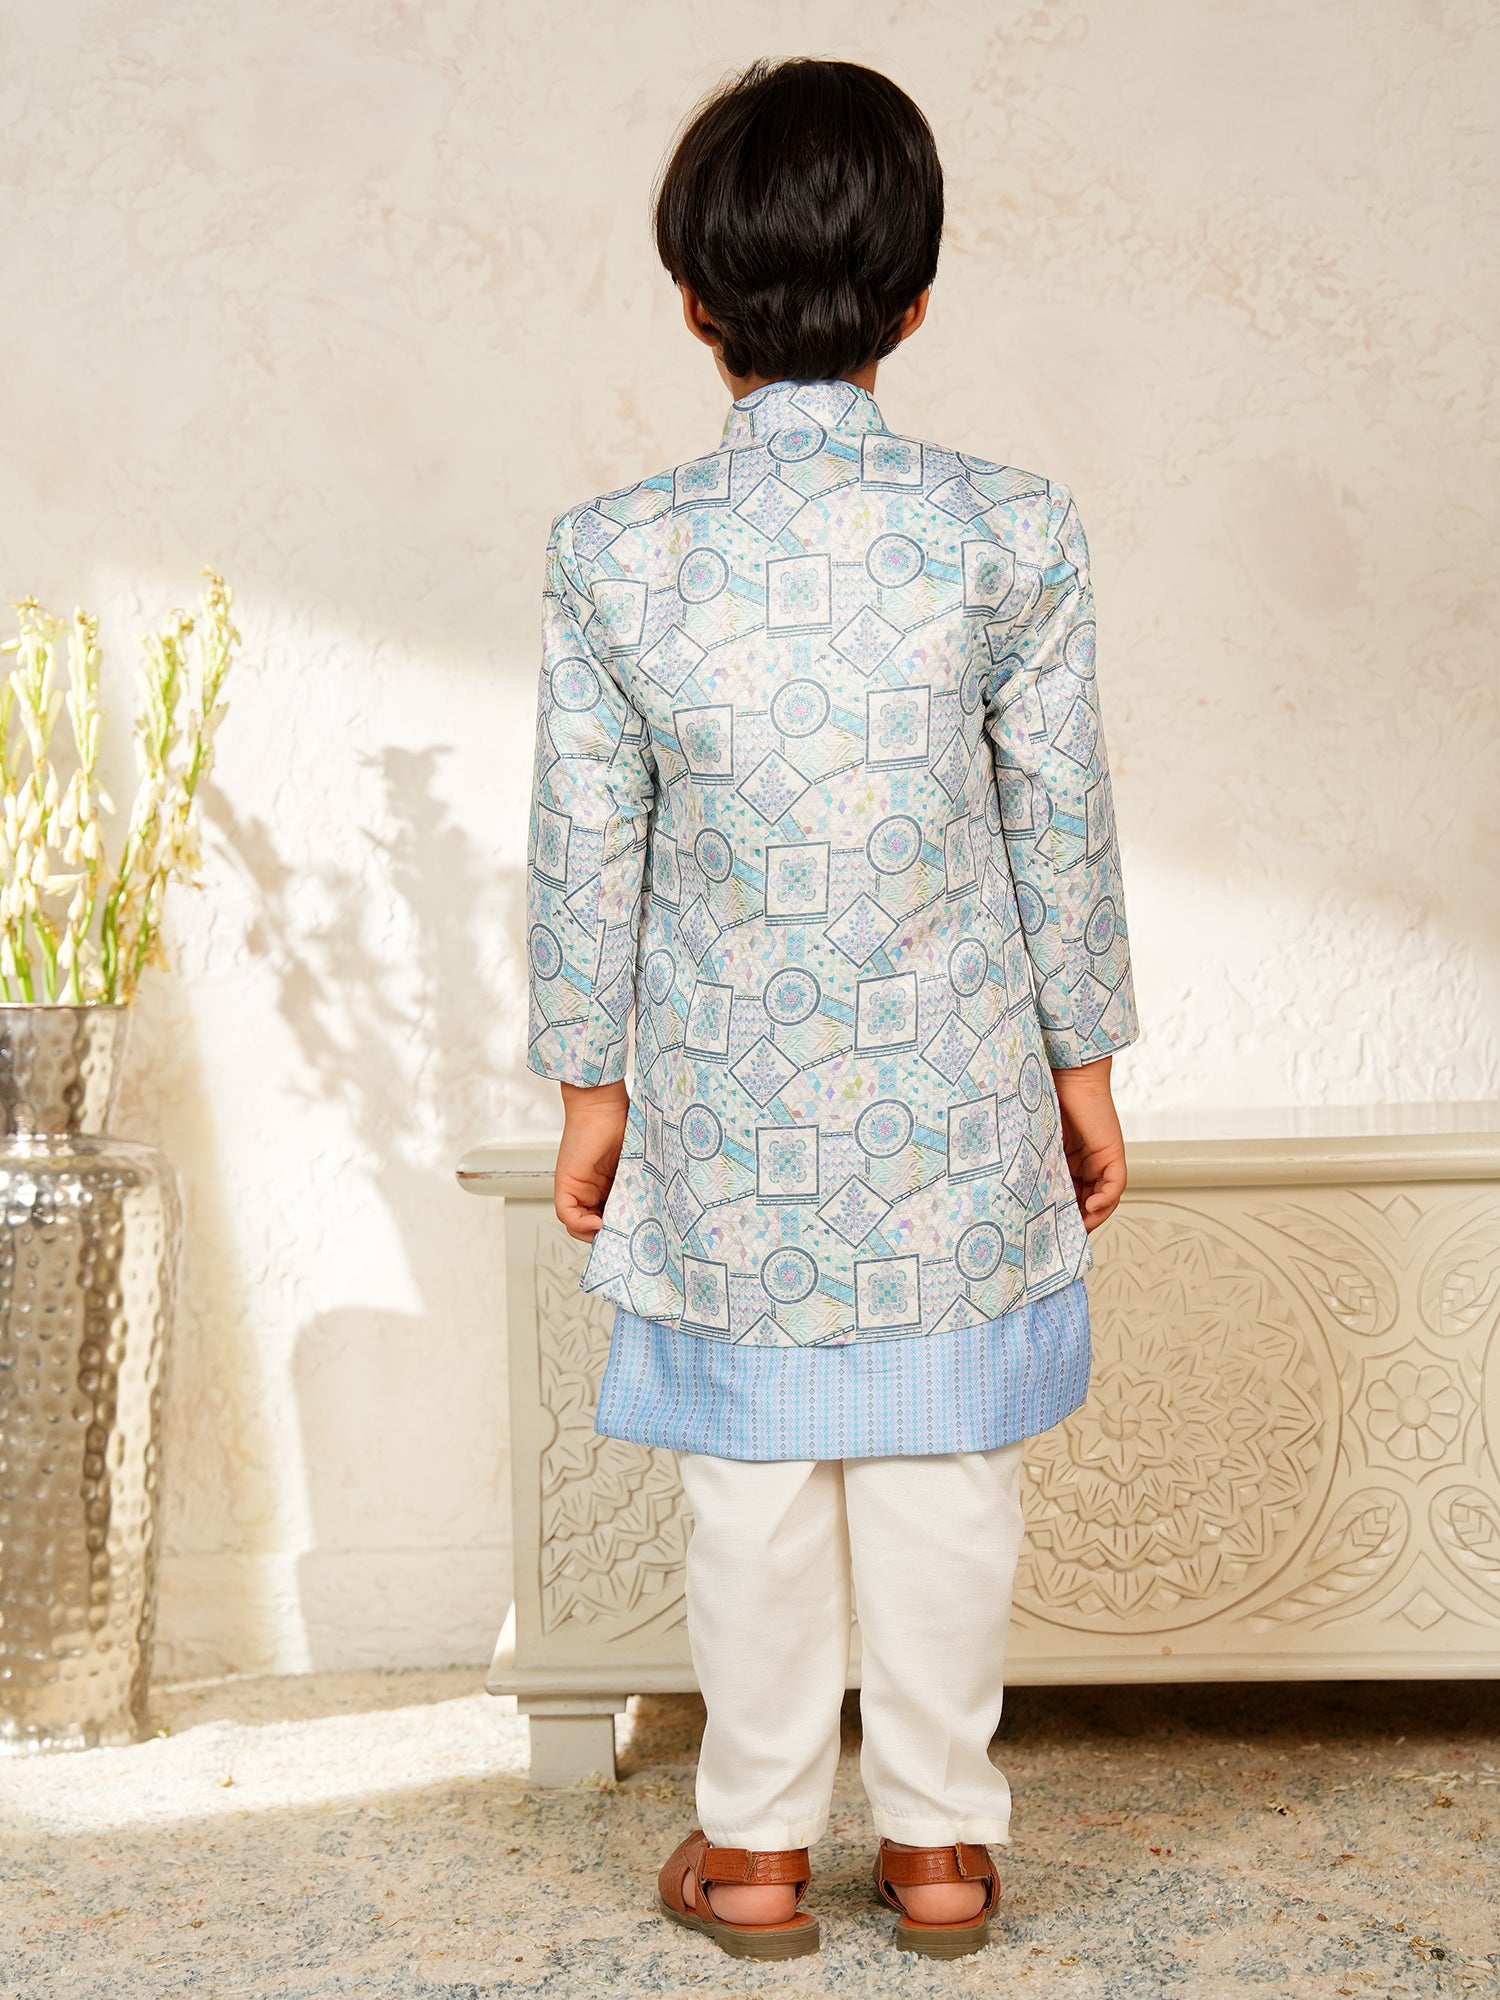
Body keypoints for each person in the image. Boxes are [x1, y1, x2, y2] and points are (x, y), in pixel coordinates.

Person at [524, 55, 1137, 1962]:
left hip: (728, 1110)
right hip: (953, 1098)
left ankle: (759, 1854)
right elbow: (1061, 823)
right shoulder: (1012, 533)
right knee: (947, 1479)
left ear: (691, 303)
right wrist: (1085, 1067)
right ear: (919, 299)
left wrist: (590, 1092)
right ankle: (943, 1851)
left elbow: (584, 847)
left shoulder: (616, 553)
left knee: (756, 1493)